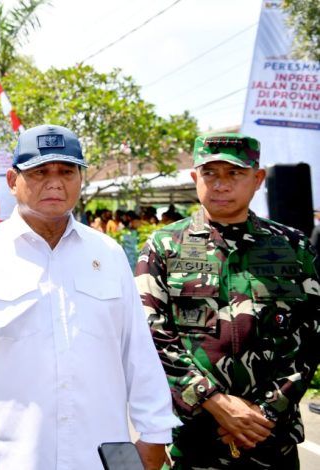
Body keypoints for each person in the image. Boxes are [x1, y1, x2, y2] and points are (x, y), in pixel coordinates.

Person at [0, 124, 179, 469]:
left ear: (80, 178)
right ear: (13, 181)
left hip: (99, 458)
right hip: (6, 460)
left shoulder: (108, 254)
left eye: (66, 171)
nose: (55, 182)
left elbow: (137, 350)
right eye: (40, 172)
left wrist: (154, 433)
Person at [135, 132, 320, 469]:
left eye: (234, 173)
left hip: (270, 439)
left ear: (258, 179)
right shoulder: (164, 246)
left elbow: (310, 336)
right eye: (210, 174)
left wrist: (263, 411)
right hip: (193, 441)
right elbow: (151, 335)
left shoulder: (294, 248)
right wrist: (214, 401)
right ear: (195, 178)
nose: (220, 184)